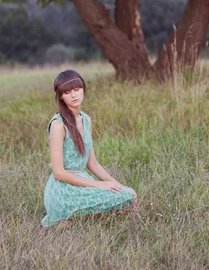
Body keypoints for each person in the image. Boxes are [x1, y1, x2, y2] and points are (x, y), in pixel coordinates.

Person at [41, 69, 138, 228]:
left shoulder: (86, 120)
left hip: (84, 183)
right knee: (124, 198)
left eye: (77, 89)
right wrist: (100, 185)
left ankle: (75, 221)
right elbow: (59, 173)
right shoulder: (58, 125)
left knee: (130, 194)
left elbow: (92, 164)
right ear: (60, 96)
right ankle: (65, 220)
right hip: (63, 190)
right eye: (67, 92)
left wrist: (117, 185)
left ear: (83, 89)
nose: (73, 95)